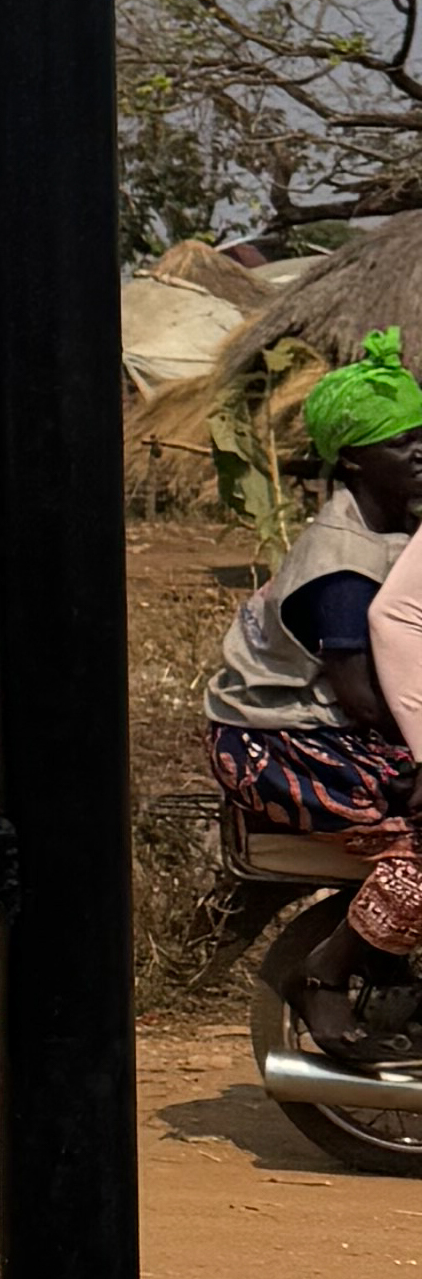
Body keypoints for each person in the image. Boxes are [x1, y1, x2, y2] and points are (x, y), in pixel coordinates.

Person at [209, 329, 422, 1061]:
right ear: (355, 459)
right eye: (402, 443)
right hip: (279, 741)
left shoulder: (391, 528)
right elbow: (367, 700)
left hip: (326, 727)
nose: (420, 452)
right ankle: (323, 977)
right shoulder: (337, 563)